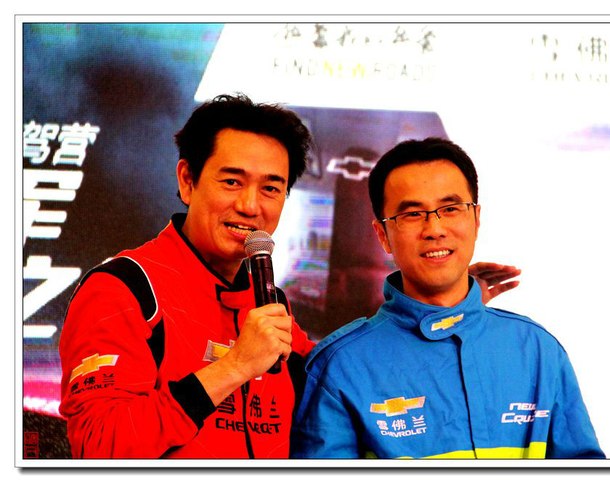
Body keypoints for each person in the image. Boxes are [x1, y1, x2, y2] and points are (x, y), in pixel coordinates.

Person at [59, 95, 520, 459]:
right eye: (232, 181)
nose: (250, 205)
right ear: (187, 180)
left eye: (271, 188)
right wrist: (234, 367)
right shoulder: (123, 289)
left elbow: (343, 370)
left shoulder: (266, 298)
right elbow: (97, 445)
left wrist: (444, 303)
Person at [291, 137, 605, 459]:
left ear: (476, 219)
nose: (435, 229)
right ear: (383, 235)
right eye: (413, 214)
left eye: (451, 209)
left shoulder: (538, 349)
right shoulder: (341, 366)